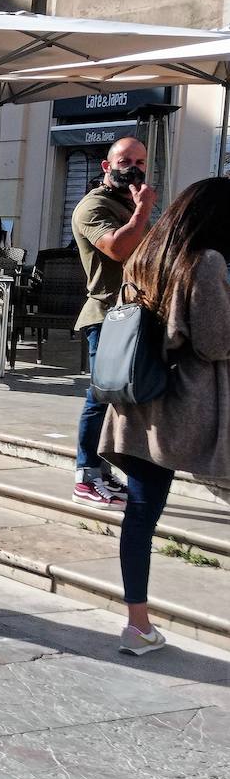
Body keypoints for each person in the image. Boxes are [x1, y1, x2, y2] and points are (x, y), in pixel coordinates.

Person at [100, 177, 230, 656]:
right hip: (185, 408)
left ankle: (138, 624)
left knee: (140, 514)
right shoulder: (207, 261)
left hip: (137, 404)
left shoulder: (145, 256)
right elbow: (215, 342)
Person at [71, 137, 157, 510]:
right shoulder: (93, 206)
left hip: (137, 315)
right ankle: (86, 473)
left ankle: (106, 468)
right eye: (125, 160)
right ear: (107, 166)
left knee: (122, 397)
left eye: (140, 161)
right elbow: (118, 249)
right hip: (108, 316)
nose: (133, 167)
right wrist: (142, 213)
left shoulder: (129, 203)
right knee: (101, 395)